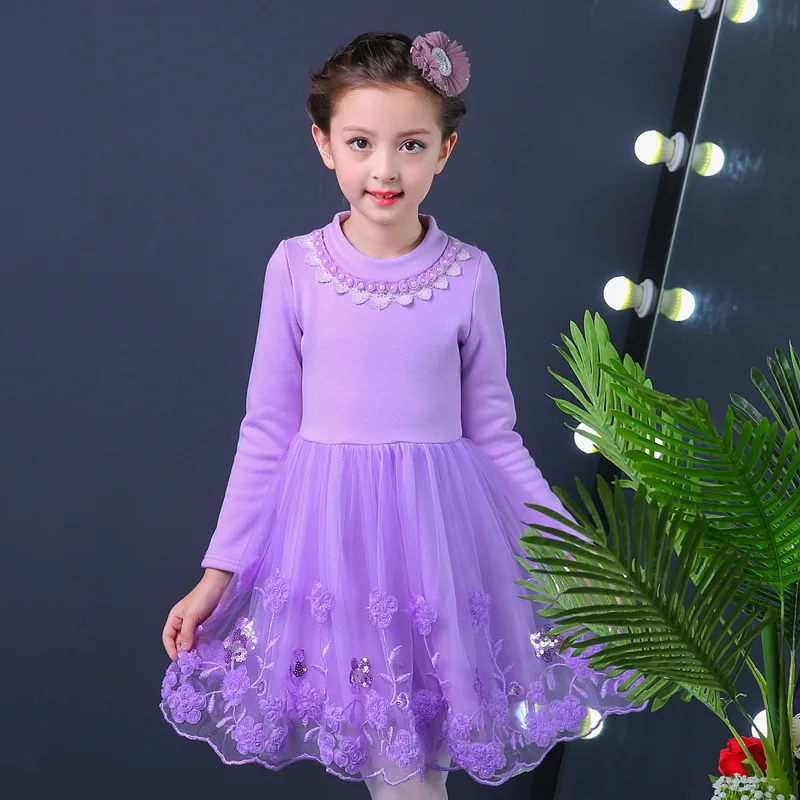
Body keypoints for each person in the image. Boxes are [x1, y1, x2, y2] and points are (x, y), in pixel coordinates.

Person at [160, 30, 641, 799]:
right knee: (399, 770)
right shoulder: (295, 269)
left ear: (444, 151)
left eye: (411, 145)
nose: (385, 169)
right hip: (334, 548)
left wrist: (580, 563)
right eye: (361, 142)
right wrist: (220, 572)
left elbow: (495, 437)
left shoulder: (468, 275)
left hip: (440, 548)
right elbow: (267, 431)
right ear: (324, 144)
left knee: (422, 765)